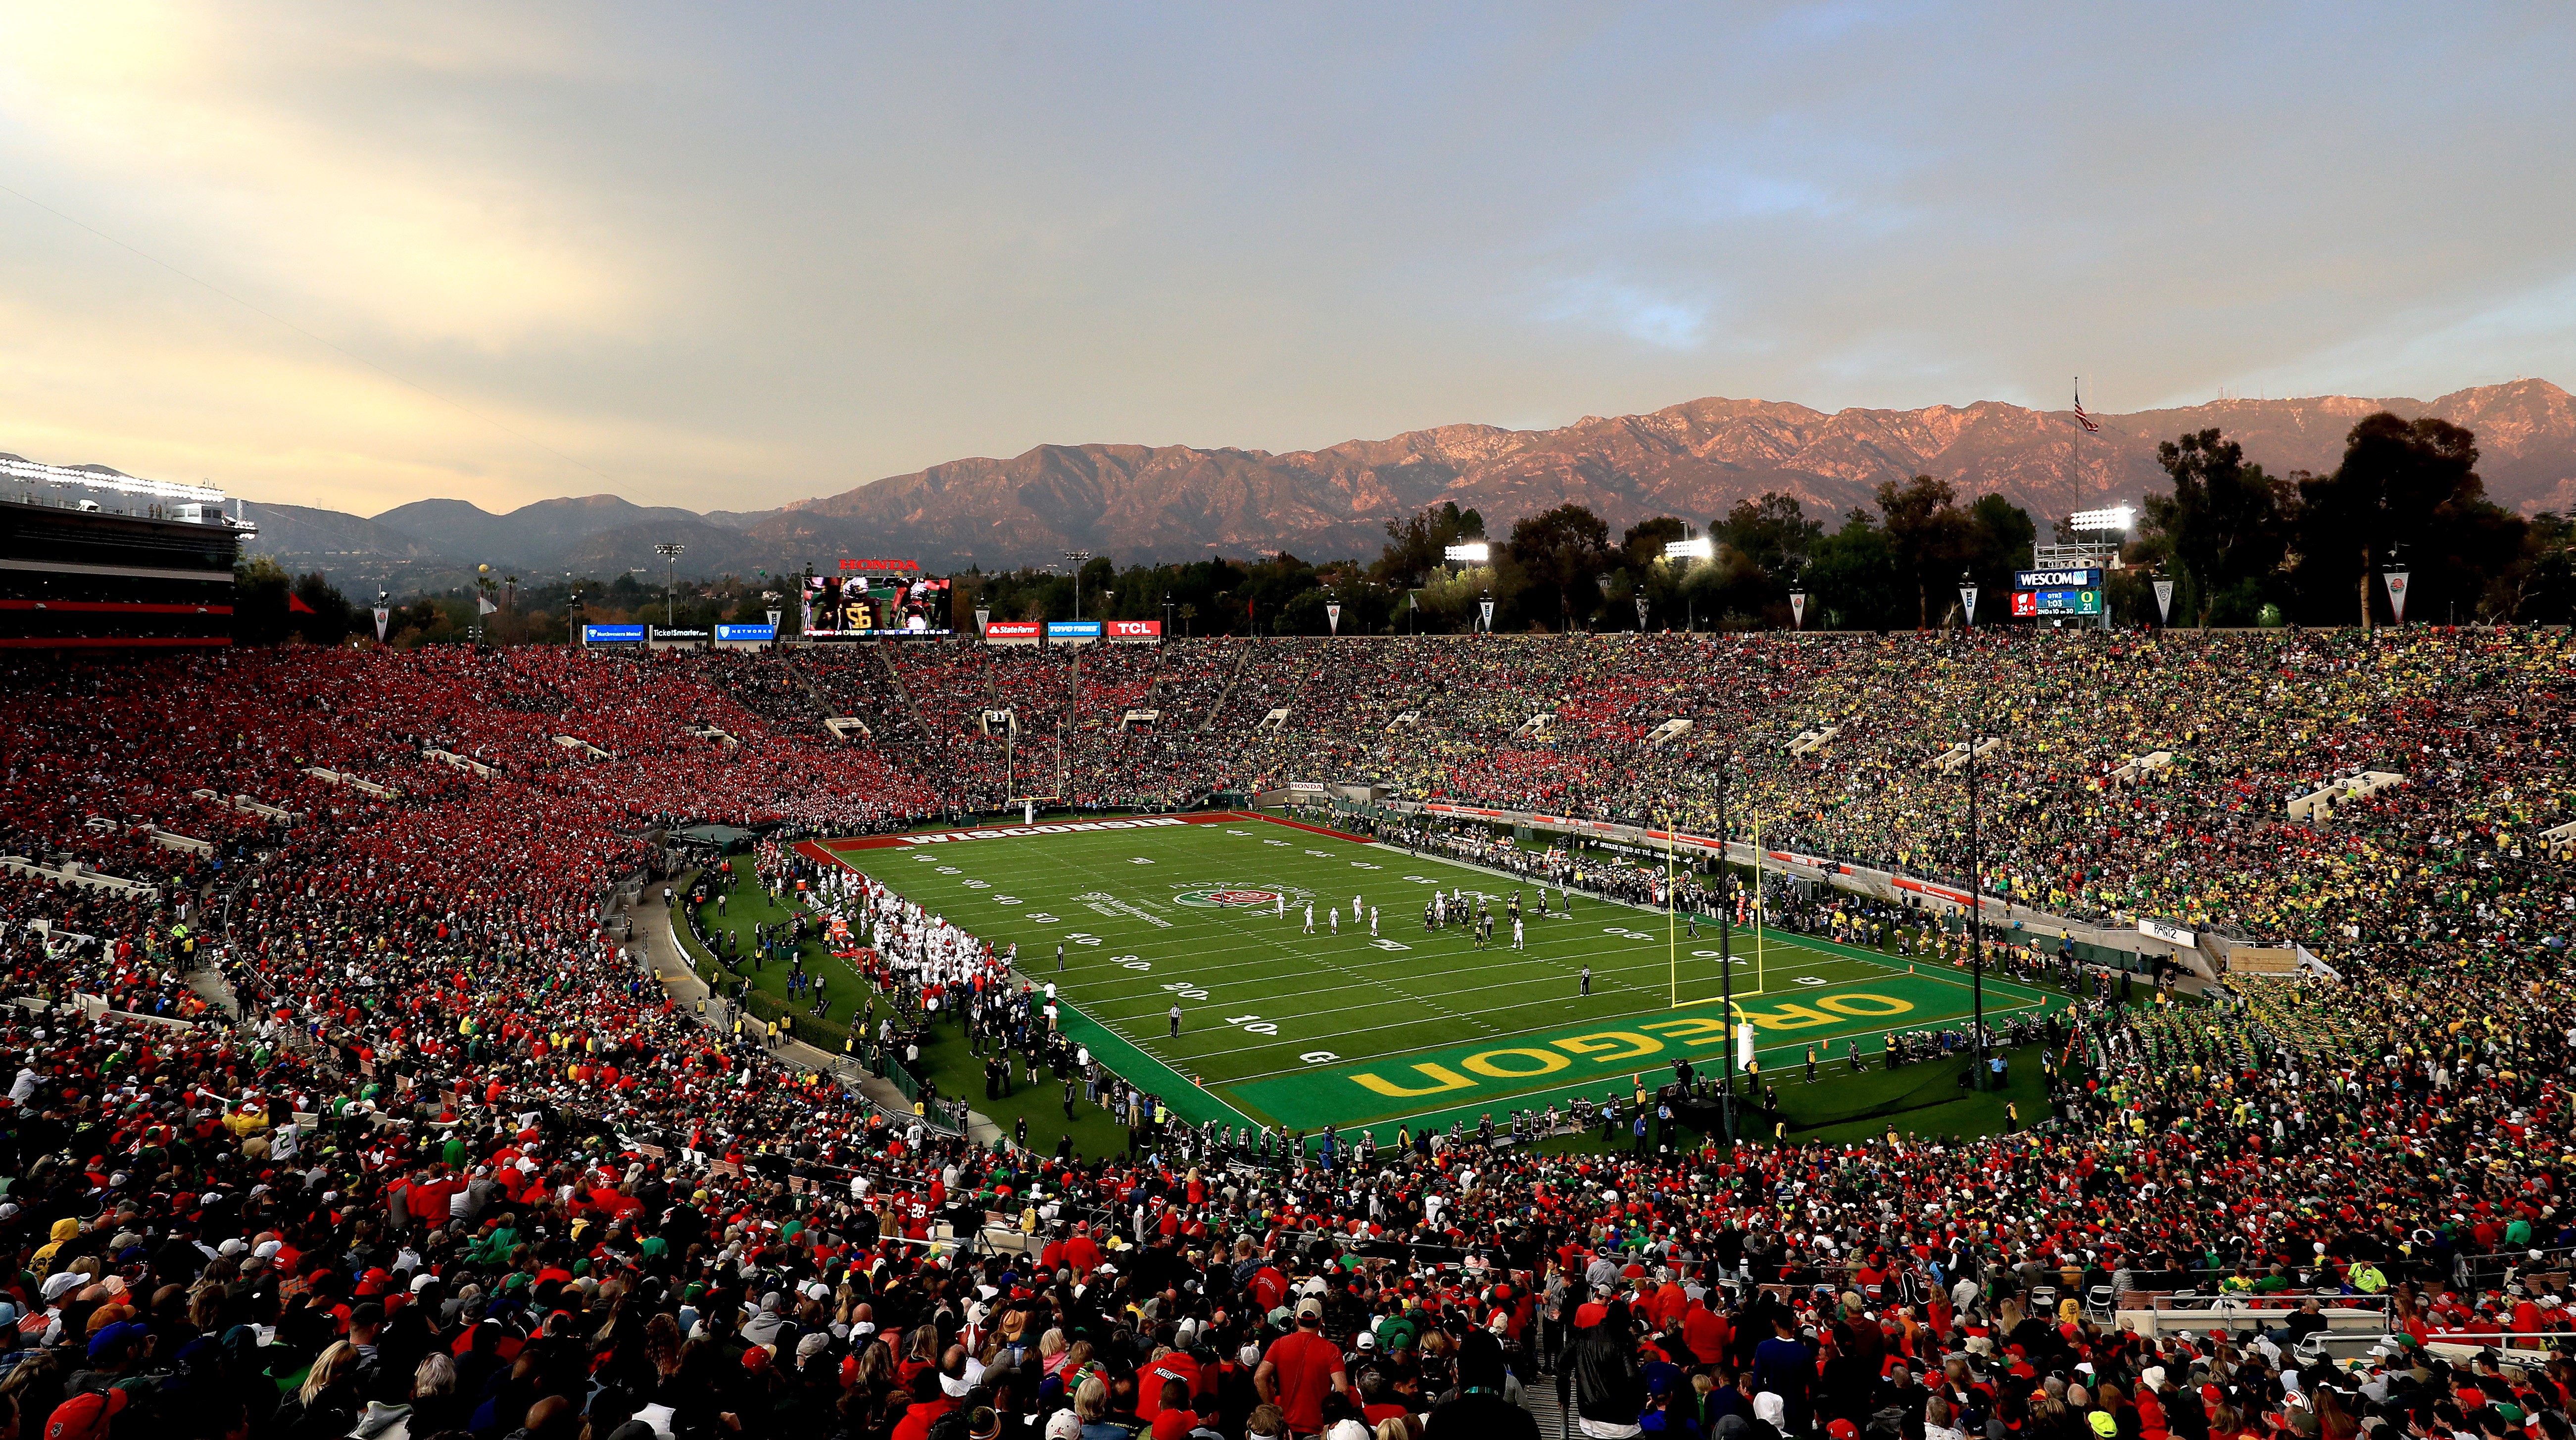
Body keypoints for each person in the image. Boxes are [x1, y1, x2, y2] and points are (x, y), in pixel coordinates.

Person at [1255, 1296, 1349, 1439]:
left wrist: (1272, 1409)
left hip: (1287, 1428)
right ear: (1321, 1321)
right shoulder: (1332, 1350)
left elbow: (1259, 1377)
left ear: (1297, 1320)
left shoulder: (1280, 1344)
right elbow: (1343, 1390)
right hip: (1319, 1428)